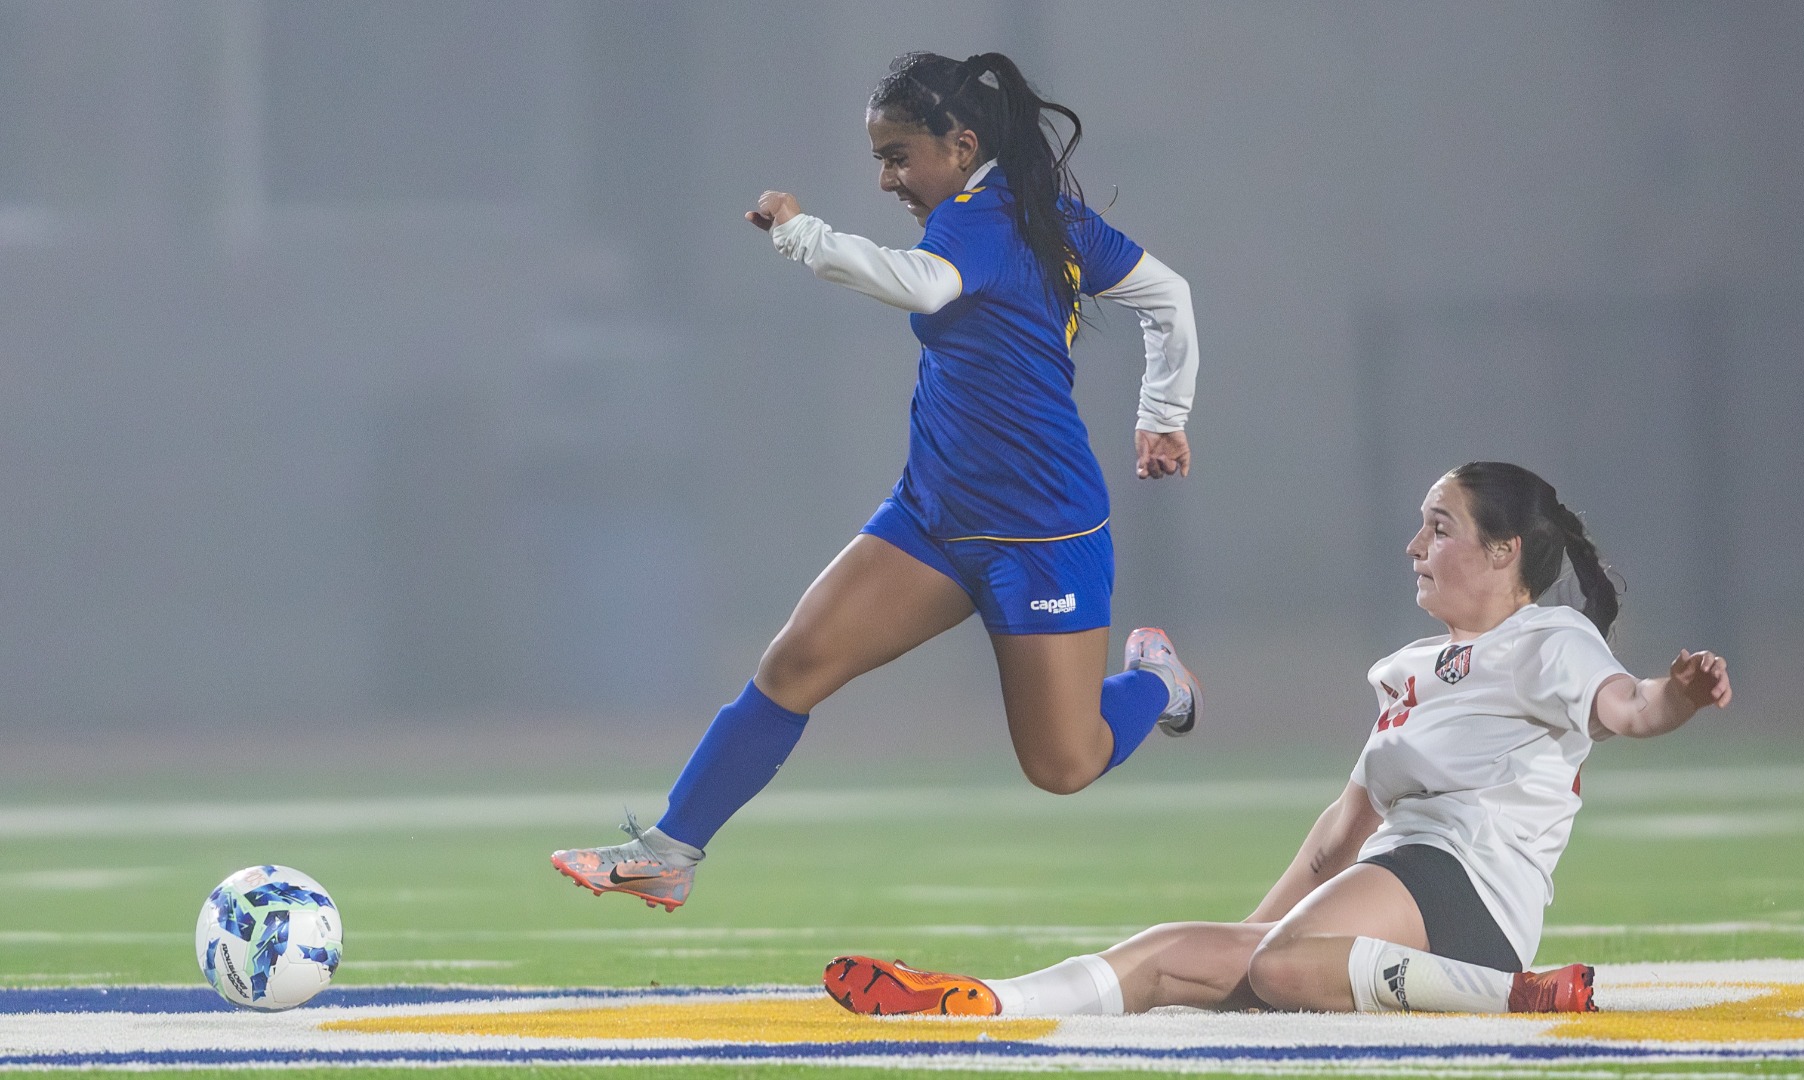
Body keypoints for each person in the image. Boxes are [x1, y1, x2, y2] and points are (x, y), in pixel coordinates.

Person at [550, 51, 1203, 913]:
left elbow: (926, 286)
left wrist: (800, 232)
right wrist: (1162, 411)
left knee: (1063, 764)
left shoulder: (987, 220)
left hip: (1042, 534)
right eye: (879, 160)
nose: (889, 178)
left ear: (961, 144)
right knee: (793, 666)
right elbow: (1168, 292)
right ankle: (669, 854)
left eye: (898, 156)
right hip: (932, 516)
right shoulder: (1027, 215)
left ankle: (1157, 679)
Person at [824, 461, 1733, 1016]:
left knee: (1286, 964)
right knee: (1175, 955)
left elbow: (1630, 709)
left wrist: (1680, 697)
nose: (1415, 543)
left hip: (1471, 898)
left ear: (1505, 554)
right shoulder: (1407, 666)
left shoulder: (1549, 638)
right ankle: (984, 1003)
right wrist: (1247, 943)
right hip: (1394, 893)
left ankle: (1521, 993)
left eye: (1440, 526)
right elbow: (1339, 833)